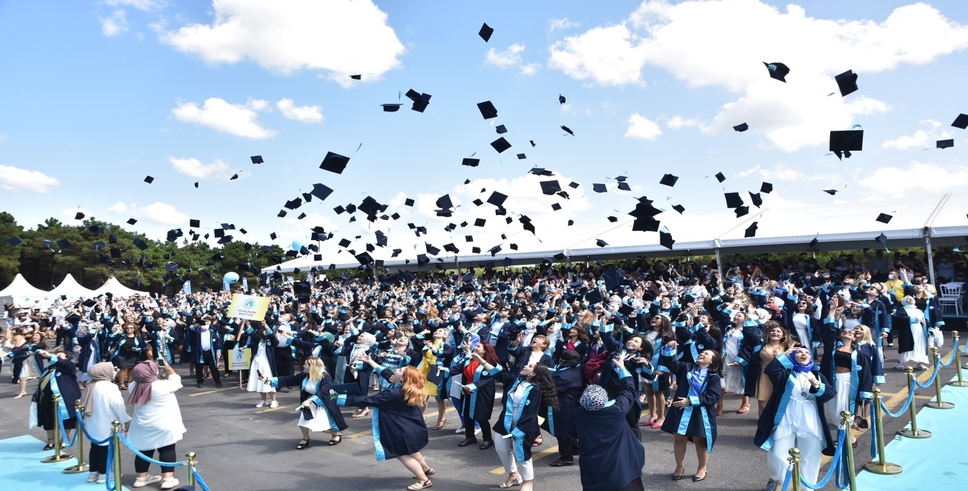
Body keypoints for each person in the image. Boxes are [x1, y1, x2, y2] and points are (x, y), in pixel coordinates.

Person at [335, 355, 435, 491]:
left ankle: (424, 480)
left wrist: (337, 397)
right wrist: (370, 361)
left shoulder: (393, 394)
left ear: (402, 378)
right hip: (411, 428)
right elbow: (386, 372)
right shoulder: (404, 388)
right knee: (412, 450)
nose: (395, 369)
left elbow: (366, 400)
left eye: (400, 370)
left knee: (402, 454)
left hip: (400, 430)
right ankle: (427, 469)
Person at [754, 347, 837, 491]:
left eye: (806, 353)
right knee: (778, 453)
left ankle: (807, 488)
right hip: (786, 417)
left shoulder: (817, 375)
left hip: (810, 419)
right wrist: (787, 352)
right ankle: (777, 477)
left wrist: (817, 386)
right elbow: (770, 370)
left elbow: (829, 393)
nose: (803, 354)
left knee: (810, 457)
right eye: (799, 352)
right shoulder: (785, 373)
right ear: (792, 357)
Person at [569, 356, 646, 491]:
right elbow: (628, 388)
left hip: (592, 467)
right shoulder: (617, 410)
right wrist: (622, 368)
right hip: (621, 468)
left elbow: (571, 432)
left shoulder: (578, 414)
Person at [659, 341, 722, 482]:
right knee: (679, 439)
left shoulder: (714, 377)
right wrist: (669, 348)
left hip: (701, 414)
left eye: (706, 354)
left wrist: (690, 401)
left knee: (700, 441)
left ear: (712, 361)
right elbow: (670, 363)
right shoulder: (686, 367)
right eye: (702, 352)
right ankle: (679, 466)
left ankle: (702, 467)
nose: (702, 354)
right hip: (681, 410)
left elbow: (713, 396)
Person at [492, 363, 558, 490]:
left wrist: (520, 430)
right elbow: (500, 374)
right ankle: (513, 474)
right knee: (500, 448)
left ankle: (527, 481)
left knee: (521, 454)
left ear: (533, 373)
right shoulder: (516, 381)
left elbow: (530, 413)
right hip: (505, 423)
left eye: (529, 366)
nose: (524, 366)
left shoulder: (535, 390)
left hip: (523, 427)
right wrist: (480, 359)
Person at [261, 356, 347, 448]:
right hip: (308, 403)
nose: (303, 365)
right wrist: (268, 379)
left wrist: (310, 401)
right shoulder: (305, 376)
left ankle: (335, 434)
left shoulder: (325, 377)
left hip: (322, 404)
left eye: (305, 364)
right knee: (303, 422)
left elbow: (323, 391)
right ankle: (305, 438)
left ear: (312, 366)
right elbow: (289, 379)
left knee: (322, 427)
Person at [126, 359, 186, 490]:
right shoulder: (162, 386)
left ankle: (141, 478)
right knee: (167, 449)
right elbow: (175, 378)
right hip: (164, 424)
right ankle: (168, 478)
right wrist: (167, 367)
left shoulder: (133, 386)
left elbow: (141, 380)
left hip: (142, 426)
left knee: (144, 450)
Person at [81, 362, 130, 484]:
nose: (114, 371)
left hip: (93, 422)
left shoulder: (91, 385)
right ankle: (104, 473)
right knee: (107, 449)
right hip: (109, 423)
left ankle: (93, 472)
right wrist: (126, 420)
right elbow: (118, 406)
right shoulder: (110, 387)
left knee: (95, 447)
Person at [452, 335, 502, 450]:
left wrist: (472, 387)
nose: (476, 347)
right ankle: (470, 436)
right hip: (467, 390)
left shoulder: (490, 363)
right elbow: (458, 368)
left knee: (481, 417)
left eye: (478, 346)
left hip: (482, 393)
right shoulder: (471, 359)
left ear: (485, 350)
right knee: (467, 415)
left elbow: (486, 379)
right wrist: (444, 370)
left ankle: (487, 439)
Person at [34, 346, 81, 450]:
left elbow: (63, 363)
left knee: (67, 420)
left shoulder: (69, 366)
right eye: (56, 355)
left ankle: (64, 438)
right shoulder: (48, 369)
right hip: (48, 399)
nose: (56, 357)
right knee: (48, 420)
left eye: (59, 355)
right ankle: (50, 440)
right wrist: (37, 351)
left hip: (65, 399)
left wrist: (50, 355)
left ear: (67, 358)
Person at [242, 321, 279, 408]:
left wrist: (266, 325)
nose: (264, 332)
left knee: (268, 380)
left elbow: (275, 340)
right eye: (263, 331)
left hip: (266, 363)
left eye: (266, 331)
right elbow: (252, 337)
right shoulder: (258, 341)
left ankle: (274, 400)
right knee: (259, 381)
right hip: (257, 361)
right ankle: (264, 400)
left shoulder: (271, 342)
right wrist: (247, 324)